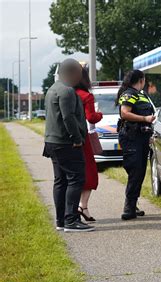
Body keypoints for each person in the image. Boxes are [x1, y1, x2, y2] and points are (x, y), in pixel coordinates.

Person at [42, 58, 94, 232]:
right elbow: (68, 117)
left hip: (53, 141)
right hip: (66, 143)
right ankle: (71, 220)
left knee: (61, 181)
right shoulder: (67, 91)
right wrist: (77, 139)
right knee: (76, 179)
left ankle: (61, 220)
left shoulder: (52, 89)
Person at [116, 70, 155, 220]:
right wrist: (145, 118)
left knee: (139, 173)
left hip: (141, 138)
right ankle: (129, 208)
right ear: (141, 79)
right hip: (131, 138)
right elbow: (124, 113)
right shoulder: (129, 94)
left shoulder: (142, 95)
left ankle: (133, 205)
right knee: (135, 172)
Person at [75, 67, 103, 221]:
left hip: (66, 140)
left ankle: (78, 208)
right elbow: (91, 117)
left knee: (73, 174)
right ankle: (82, 205)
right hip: (83, 139)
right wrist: (100, 114)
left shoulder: (68, 93)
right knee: (90, 174)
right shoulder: (86, 96)